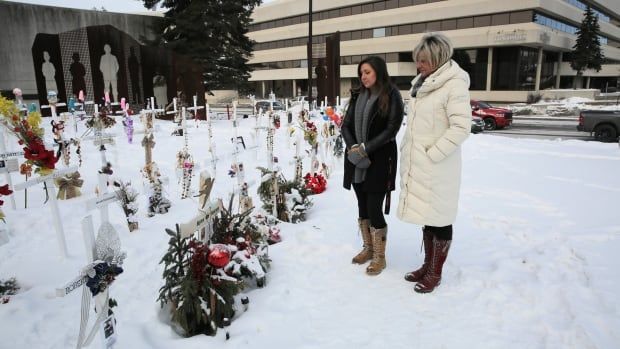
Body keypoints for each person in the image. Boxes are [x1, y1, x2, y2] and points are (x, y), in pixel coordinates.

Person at [397, 32, 471, 293]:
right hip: (421, 164)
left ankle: (435, 273)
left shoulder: (454, 84)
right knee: (428, 218)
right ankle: (427, 265)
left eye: (424, 60)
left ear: (439, 58)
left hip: (439, 167)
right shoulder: (421, 83)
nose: (419, 65)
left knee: (440, 219)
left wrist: (433, 153)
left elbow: (462, 127)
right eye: (418, 60)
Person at [342, 56, 404, 276]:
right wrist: (353, 149)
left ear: (378, 71)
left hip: (379, 160)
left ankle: (380, 256)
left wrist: (365, 148)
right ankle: (368, 248)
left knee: (374, 207)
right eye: (361, 73)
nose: (363, 77)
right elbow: (345, 125)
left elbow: (392, 129)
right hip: (356, 160)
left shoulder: (391, 95)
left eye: (367, 72)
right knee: (362, 205)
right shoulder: (358, 94)